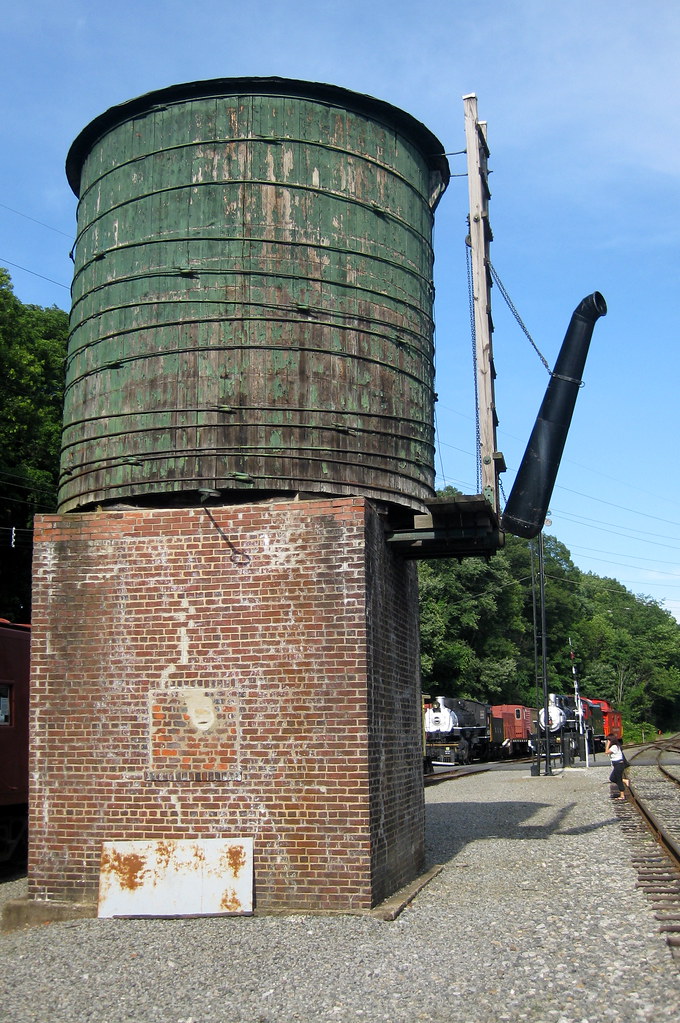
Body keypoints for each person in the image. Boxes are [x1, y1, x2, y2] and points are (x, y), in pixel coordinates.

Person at [605, 732, 630, 800]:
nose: (607, 741)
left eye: (608, 740)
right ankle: (624, 781)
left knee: (618, 780)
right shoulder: (616, 746)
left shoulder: (614, 747)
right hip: (617, 765)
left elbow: (606, 752)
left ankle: (622, 795)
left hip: (619, 764)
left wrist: (607, 744)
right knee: (612, 778)